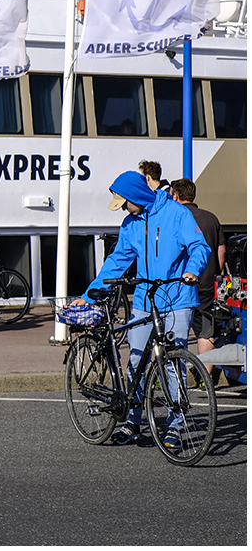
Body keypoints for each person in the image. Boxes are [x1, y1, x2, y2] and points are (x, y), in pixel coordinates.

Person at [70, 171, 209, 448]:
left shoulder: (176, 214)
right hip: (145, 301)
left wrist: (193, 270)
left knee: (173, 364)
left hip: (177, 298)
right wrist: (88, 295)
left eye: (124, 202)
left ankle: (175, 426)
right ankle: (132, 421)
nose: (122, 207)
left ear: (137, 196)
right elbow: (116, 261)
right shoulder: (130, 223)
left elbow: (199, 247)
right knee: (135, 362)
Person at [170, 178, 227, 365]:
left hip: (180, 283)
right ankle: (206, 378)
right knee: (205, 330)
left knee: (176, 330)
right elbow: (221, 251)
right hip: (207, 283)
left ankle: (172, 377)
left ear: (176, 195)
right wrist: (214, 273)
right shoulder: (211, 218)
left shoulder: (174, 217)